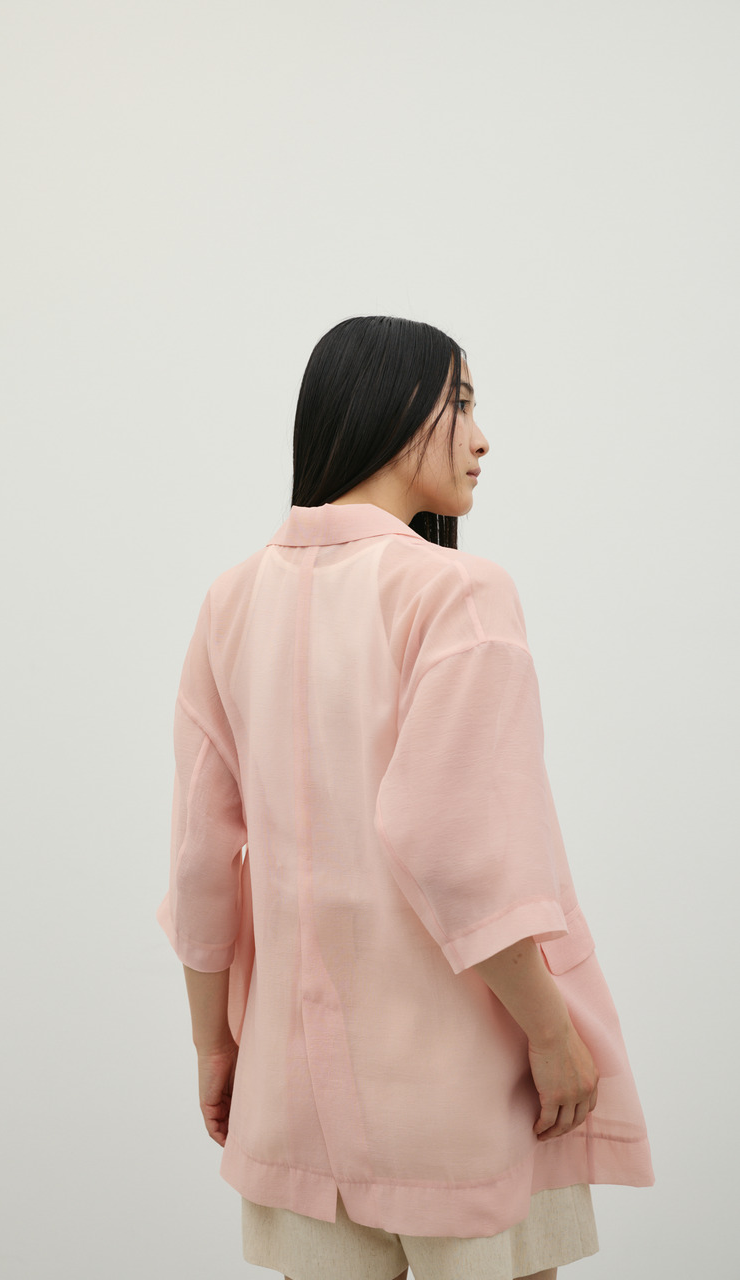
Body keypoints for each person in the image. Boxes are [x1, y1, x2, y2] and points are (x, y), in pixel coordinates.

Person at [156, 316, 655, 1280]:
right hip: (469, 1091)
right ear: (390, 408)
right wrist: (551, 1032)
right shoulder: (456, 592)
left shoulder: (230, 601)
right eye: (459, 403)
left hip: (292, 1097)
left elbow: (199, 864)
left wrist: (214, 1049)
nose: (481, 438)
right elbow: (449, 844)